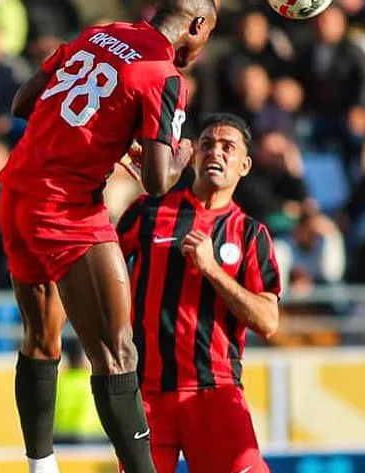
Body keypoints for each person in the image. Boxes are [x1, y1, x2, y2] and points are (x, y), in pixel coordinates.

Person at [0, 0, 217, 473]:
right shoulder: (163, 74)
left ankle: (41, 465)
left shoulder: (98, 34)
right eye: (207, 36)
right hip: (66, 208)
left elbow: (22, 104)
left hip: (17, 192)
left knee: (40, 338)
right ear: (197, 25)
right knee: (118, 354)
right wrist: (182, 154)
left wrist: (106, 138)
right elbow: (159, 181)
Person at [116, 113, 281, 473]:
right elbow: (102, 265)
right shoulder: (147, 212)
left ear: (245, 165)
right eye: (207, 145)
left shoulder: (251, 235)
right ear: (192, 157)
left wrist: (212, 270)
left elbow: (268, 321)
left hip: (215, 391)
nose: (215, 153)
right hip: (146, 394)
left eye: (228, 147)